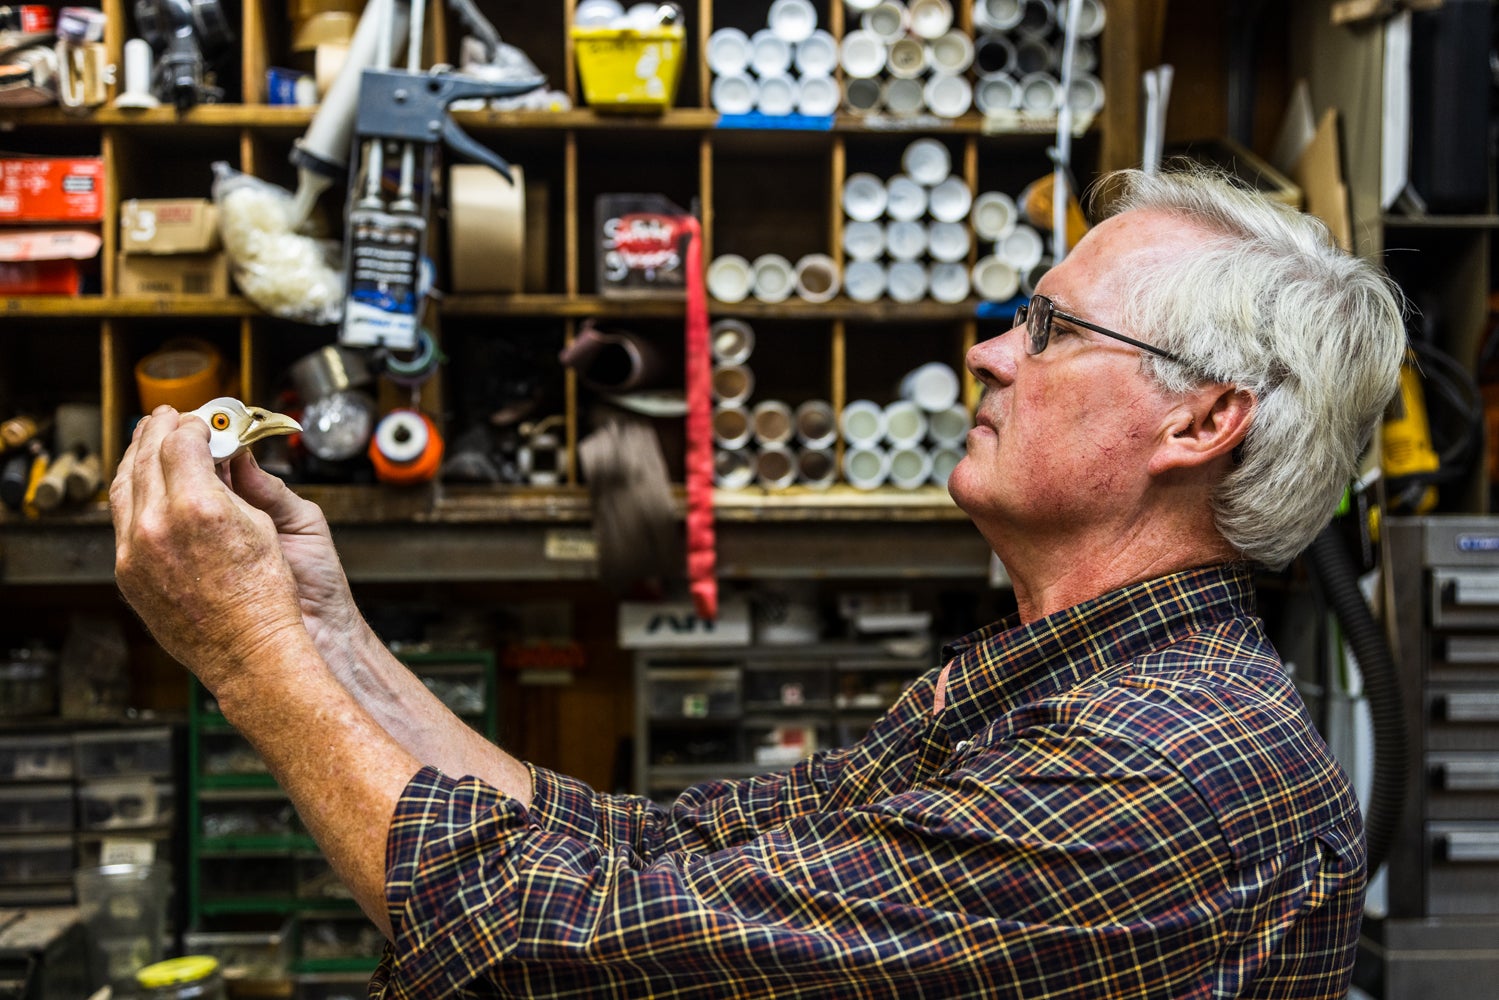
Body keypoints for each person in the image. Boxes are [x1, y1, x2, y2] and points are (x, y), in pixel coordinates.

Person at [111, 166, 1406, 999]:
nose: (990, 353)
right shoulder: (1064, 691)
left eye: (1053, 329)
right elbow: (653, 863)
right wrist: (327, 632)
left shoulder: (1156, 771)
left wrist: (247, 655)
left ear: (1201, 424)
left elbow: (542, 952)